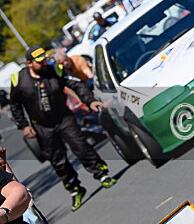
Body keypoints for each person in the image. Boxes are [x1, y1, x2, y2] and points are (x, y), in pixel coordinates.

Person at [9, 48, 116, 212]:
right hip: (42, 127)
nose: (44, 63)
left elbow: (77, 85)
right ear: (29, 63)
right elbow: (15, 105)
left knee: (81, 146)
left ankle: (102, 174)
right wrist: (24, 126)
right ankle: (75, 189)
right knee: (58, 161)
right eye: (39, 61)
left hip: (64, 119)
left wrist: (90, 101)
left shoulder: (55, 70)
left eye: (44, 59)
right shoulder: (18, 80)